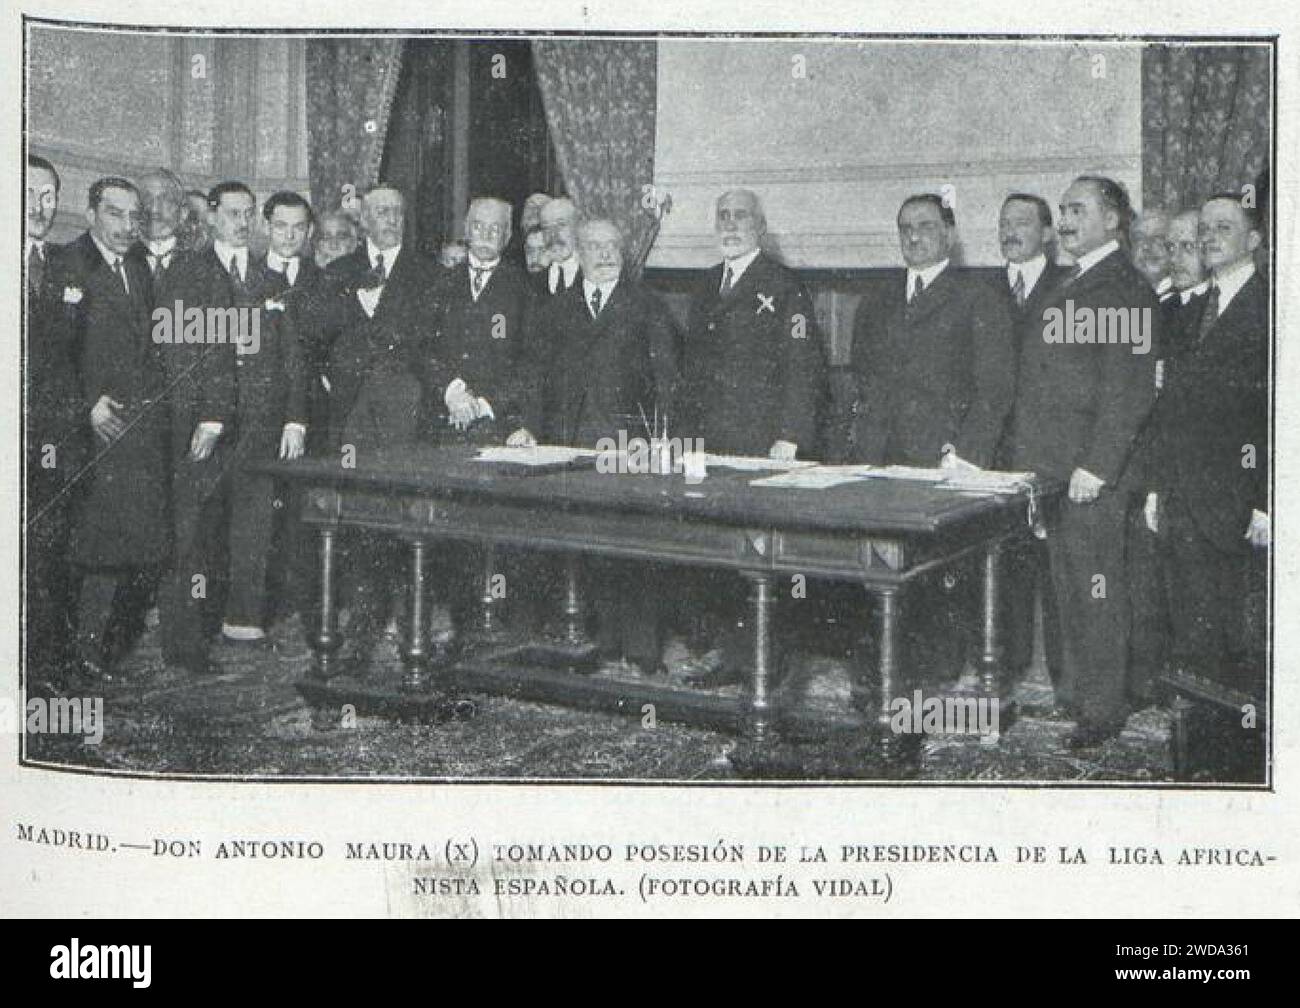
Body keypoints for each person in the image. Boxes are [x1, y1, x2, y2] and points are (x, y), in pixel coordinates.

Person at [1008, 175, 1159, 748]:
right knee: (1068, 587)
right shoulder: (1074, 281)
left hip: (1090, 475)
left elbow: (1130, 389)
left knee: (1096, 589)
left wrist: (1096, 467)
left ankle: (1101, 709)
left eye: (1077, 211)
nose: (1065, 221)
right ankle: (1076, 696)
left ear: (1114, 220)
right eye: (1063, 211)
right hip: (1053, 470)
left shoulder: (1125, 288)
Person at [675, 189, 826, 686]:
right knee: (718, 550)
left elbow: (805, 369)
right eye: (722, 215)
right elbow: (690, 371)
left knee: (761, 555)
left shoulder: (784, 286)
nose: (730, 224)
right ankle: (728, 654)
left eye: (741, 216)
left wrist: (791, 436)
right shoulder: (703, 287)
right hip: (709, 441)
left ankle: (767, 661)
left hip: (761, 441)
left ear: (760, 227)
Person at [532, 217, 679, 674]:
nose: (604, 254)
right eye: (594, 246)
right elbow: (538, 378)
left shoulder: (647, 305)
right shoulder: (558, 307)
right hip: (572, 444)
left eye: (612, 246)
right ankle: (602, 639)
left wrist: (665, 439)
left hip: (630, 445)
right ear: (578, 249)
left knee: (634, 546)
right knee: (588, 547)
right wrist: (532, 430)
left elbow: (669, 381)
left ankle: (642, 649)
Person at [311, 183, 441, 672]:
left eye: (397, 211)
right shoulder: (340, 271)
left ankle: (412, 630)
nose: (389, 219)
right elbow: (316, 332)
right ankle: (358, 630)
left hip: (403, 414)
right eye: (380, 211)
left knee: (406, 518)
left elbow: (433, 342)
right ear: (362, 218)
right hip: (348, 413)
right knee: (353, 518)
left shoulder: (427, 274)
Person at [1143, 194, 1268, 696]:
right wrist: (1156, 489)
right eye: (1206, 229)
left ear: (1254, 241)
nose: (1209, 238)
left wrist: (1268, 503)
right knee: (1193, 640)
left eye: (1224, 227)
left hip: (1239, 504)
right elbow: (1168, 409)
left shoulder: (1273, 307)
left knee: (1239, 644)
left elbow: (1278, 415)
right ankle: (1197, 754)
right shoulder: (1189, 306)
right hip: (1181, 498)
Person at [58, 177, 171, 682]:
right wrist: (86, 406)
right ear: (90, 215)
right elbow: (50, 354)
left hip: (138, 426)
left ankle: (104, 652)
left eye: (133, 216)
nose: (127, 226)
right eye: (114, 214)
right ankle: (79, 655)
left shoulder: (140, 267)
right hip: (93, 431)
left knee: (132, 545)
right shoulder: (67, 264)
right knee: (93, 549)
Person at [425, 196, 539, 650]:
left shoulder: (522, 290)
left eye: (498, 229)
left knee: (495, 525)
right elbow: (422, 348)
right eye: (481, 226)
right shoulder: (440, 284)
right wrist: (452, 391)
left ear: (508, 237)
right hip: (445, 420)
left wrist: (489, 403)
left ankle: (498, 624)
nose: (488, 235)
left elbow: (532, 364)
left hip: (497, 423)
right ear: (467, 230)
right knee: (450, 525)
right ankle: (461, 620)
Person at [140, 170, 238, 677]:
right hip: (132, 429)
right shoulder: (120, 263)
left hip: (187, 424)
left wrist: (214, 417)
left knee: (188, 535)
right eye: (146, 200)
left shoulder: (204, 273)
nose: (155, 209)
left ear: (183, 213)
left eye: (166, 201)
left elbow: (220, 351)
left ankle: (185, 643)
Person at [845, 193, 1014, 469]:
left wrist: (967, 456)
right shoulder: (875, 300)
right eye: (906, 229)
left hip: (943, 458)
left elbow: (994, 391)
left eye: (926, 227)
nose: (913, 237)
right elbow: (863, 379)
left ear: (949, 235)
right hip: (874, 457)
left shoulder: (979, 298)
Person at [220, 189, 312, 646]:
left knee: (258, 518)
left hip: (263, 417)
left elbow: (293, 358)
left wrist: (295, 419)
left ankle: (247, 613)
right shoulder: (213, 274)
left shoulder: (274, 284)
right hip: (214, 416)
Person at [994, 192, 1072, 683]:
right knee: (1005, 565)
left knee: (1058, 568)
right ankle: (1007, 662)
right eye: (1003, 223)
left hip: (1052, 450)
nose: (1009, 231)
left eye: (1021, 222)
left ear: (1047, 233)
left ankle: (1067, 674)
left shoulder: (1070, 285)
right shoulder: (981, 287)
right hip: (997, 451)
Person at [25, 154, 86, 684]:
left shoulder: (66, 266)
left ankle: (45, 663)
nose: (39, 207)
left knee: (49, 548)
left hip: (54, 438)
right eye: (28, 193)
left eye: (48, 196)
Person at [536, 197, 581, 296]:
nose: (553, 235)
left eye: (561, 225)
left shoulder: (593, 276)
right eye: (546, 227)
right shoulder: (533, 281)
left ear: (578, 227)